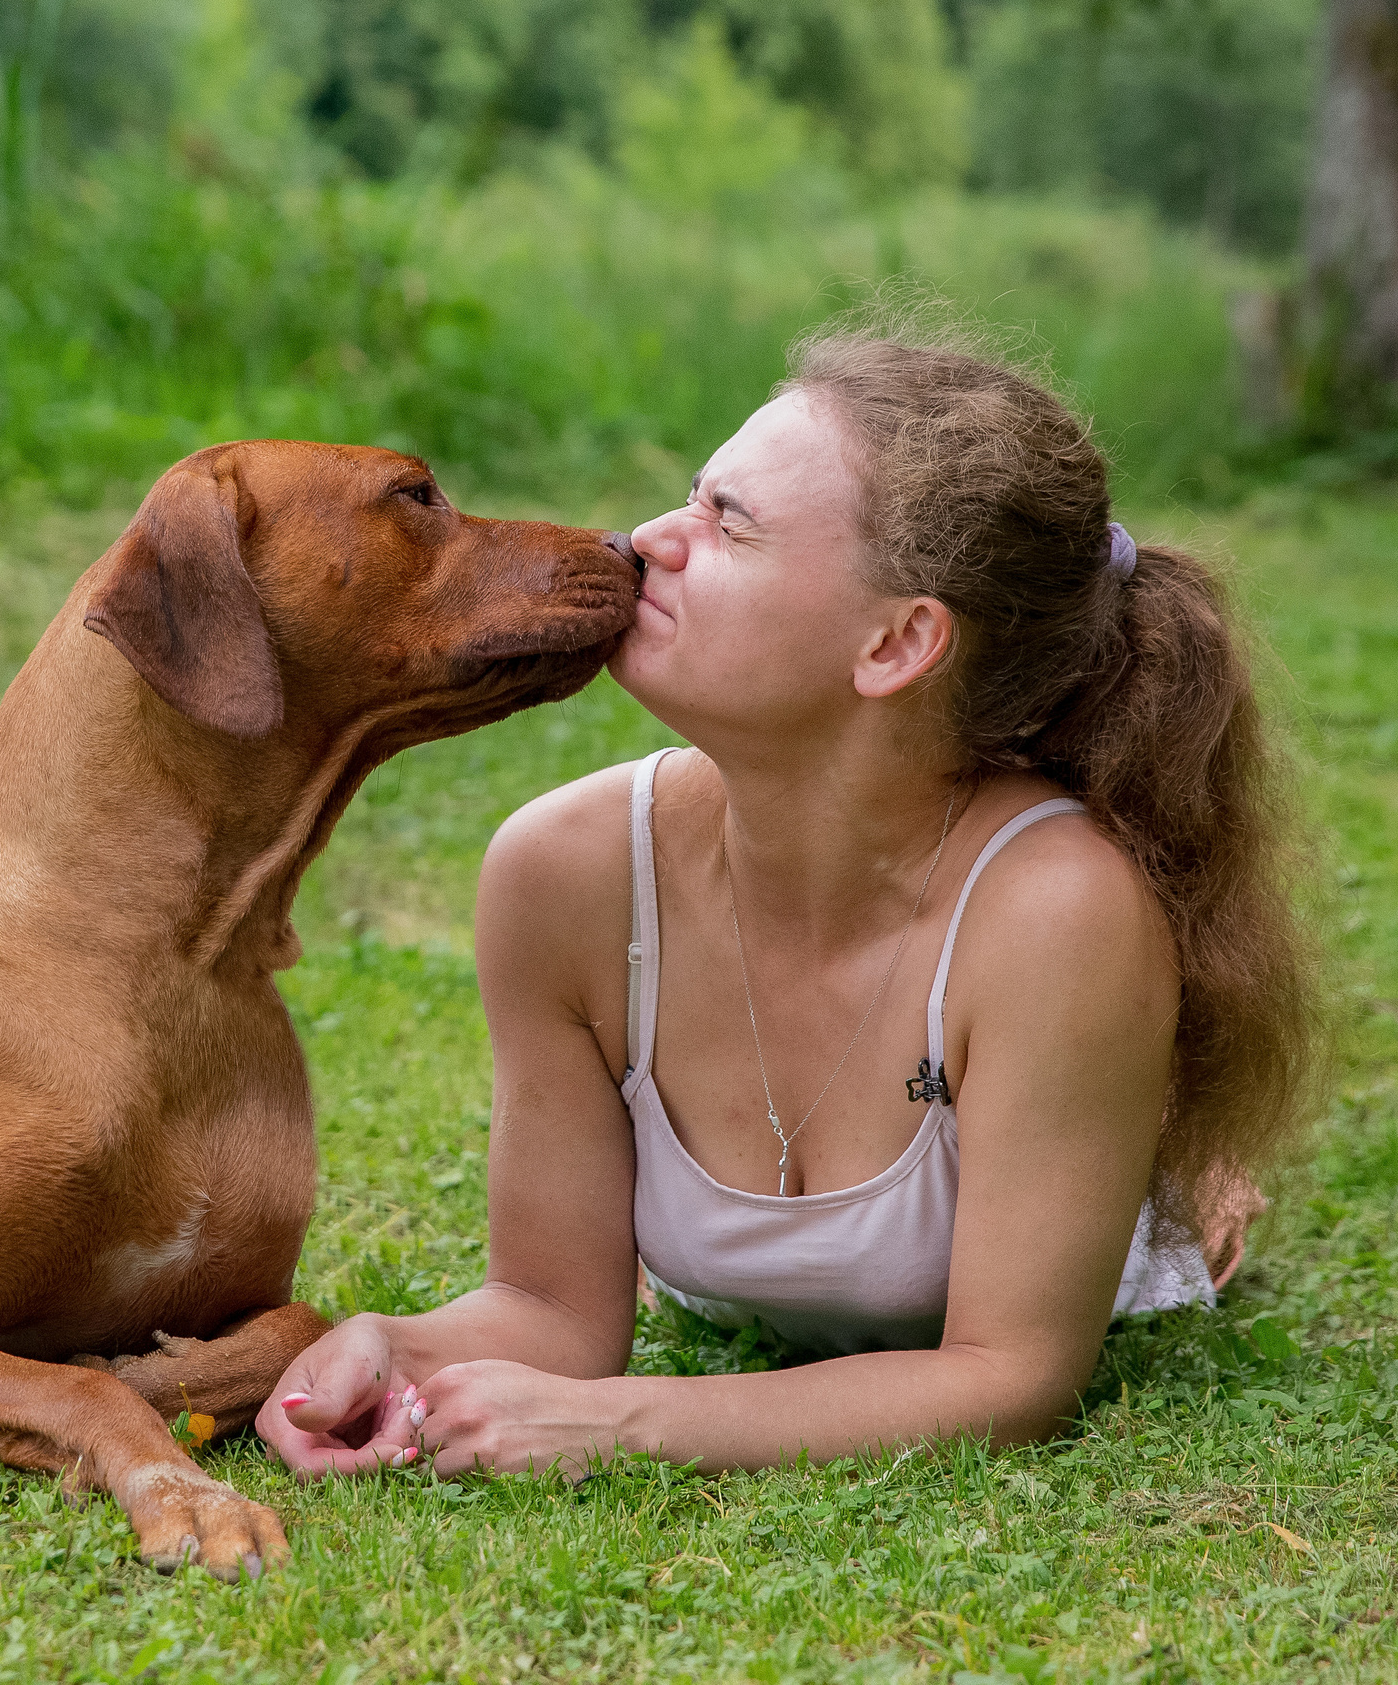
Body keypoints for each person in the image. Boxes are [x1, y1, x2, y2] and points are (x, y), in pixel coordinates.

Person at [257, 321, 1317, 1479]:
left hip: (1053, 1178)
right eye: (690, 496)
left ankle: (1169, 1163)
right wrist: (385, 1346)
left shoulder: (1058, 913)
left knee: (1149, 1179)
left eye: (730, 524)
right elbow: (552, 1309)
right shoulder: (562, 874)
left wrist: (625, 1427)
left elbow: (1009, 1376)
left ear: (899, 641)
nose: (647, 540)